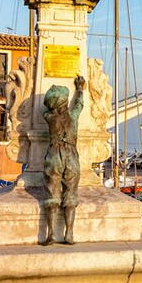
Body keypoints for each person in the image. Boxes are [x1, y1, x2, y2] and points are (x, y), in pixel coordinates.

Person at [41, 75, 85, 245]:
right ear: (64, 104)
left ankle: (51, 235)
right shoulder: (73, 116)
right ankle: (69, 234)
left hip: (54, 156)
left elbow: (47, 111)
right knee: (71, 195)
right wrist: (79, 88)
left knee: (52, 195)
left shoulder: (49, 118)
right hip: (71, 157)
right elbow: (79, 104)